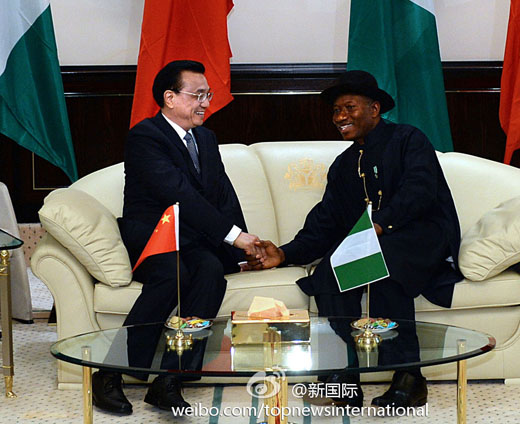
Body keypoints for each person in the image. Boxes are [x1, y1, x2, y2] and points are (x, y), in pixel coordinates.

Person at [249, 70, 463, 408]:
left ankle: (409, 377)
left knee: (384, 266)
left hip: (421, 236)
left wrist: (380, 225)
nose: (340, 117)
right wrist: (285, 254)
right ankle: (344, 376)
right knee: (329, 275)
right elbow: (326, 222)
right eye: (336, 110)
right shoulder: (344, 164)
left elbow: (419, 192)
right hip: (374, 241)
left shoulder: (408, 139)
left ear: (375, 109)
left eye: (349, 107)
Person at [92, 60, 261, 414]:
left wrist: (240, 252)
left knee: (211, 271)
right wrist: (234, 236)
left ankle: (171, 377)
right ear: (169, 98)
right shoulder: (145, 137)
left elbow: (222, 195)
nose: (205, 103)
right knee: (174, 274)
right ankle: (110, 372)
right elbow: (179, 192)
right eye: (197, 95)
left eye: (207, 95)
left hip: (191, 239)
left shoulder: (206, 138)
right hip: (152, 236)